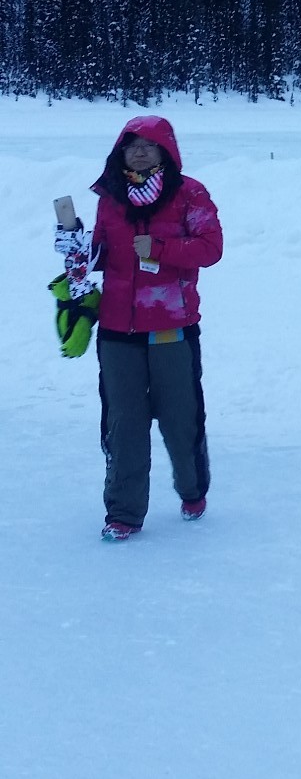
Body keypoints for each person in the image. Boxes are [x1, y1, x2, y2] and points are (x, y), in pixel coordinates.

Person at [57, 116, 224, 541]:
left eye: (150, 144)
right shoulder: (111, 196)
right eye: (132, 144)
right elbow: (99, 256)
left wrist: (162, 249)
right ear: (121, 151)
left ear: (166, 150)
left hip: (172, 329)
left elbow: (211, 248)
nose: (140, 150)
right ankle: (124, 513)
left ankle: (192, 491)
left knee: (180, 420)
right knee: (124, 423)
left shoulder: (190, 193)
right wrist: (76, 245)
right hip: (117, 330)